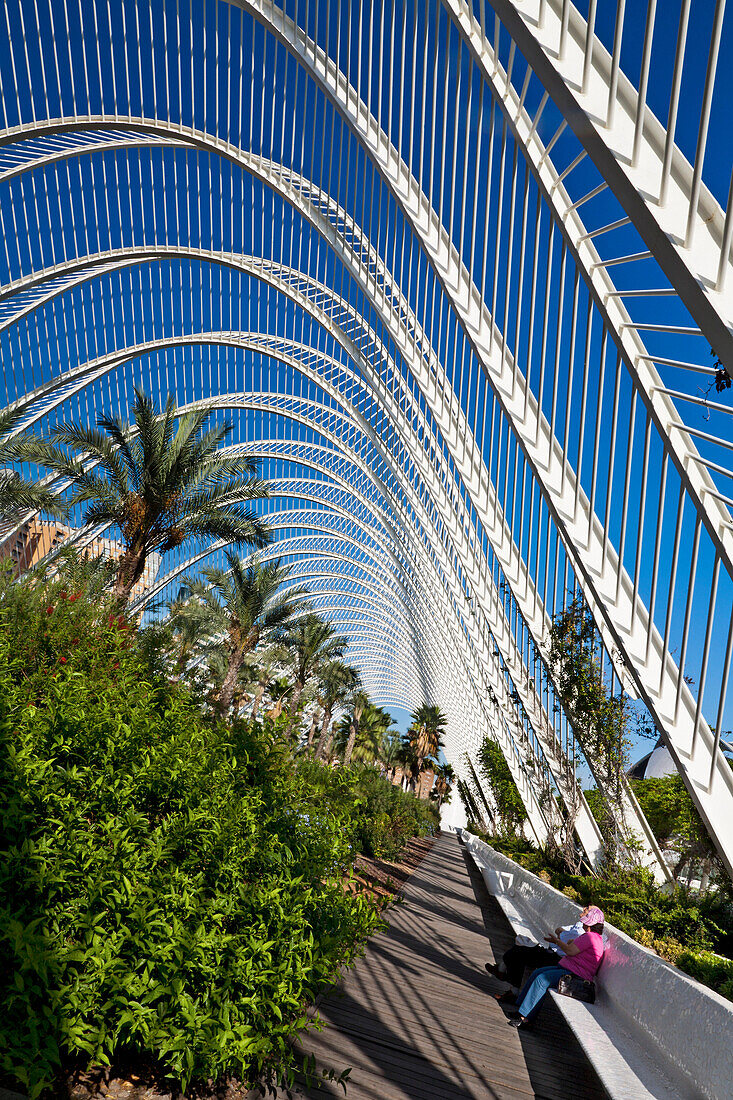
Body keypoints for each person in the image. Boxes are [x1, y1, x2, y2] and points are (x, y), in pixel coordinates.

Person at [506, 906, 606, 1030]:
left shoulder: (590, 937)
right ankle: (521, 1008)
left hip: (575, 976)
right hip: (569, 970)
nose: (583, 923)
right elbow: (573, 947)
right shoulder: (593, 937)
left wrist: (557, 941)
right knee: (537, 972)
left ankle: (525, 1018)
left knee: (542, 980)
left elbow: (570, 951)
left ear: (590, 923)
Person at [485, 905, 597, 996]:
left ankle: (506, 978)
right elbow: (559, 930)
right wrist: (562, 935)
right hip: (551, 952)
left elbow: (563, 936)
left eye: (587, 909)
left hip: (558, 959)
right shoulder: (579, 925)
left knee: (520, 953)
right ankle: (505, 976)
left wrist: (561, 935)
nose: (584, 909)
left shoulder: (586, 934)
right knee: (519, 948)